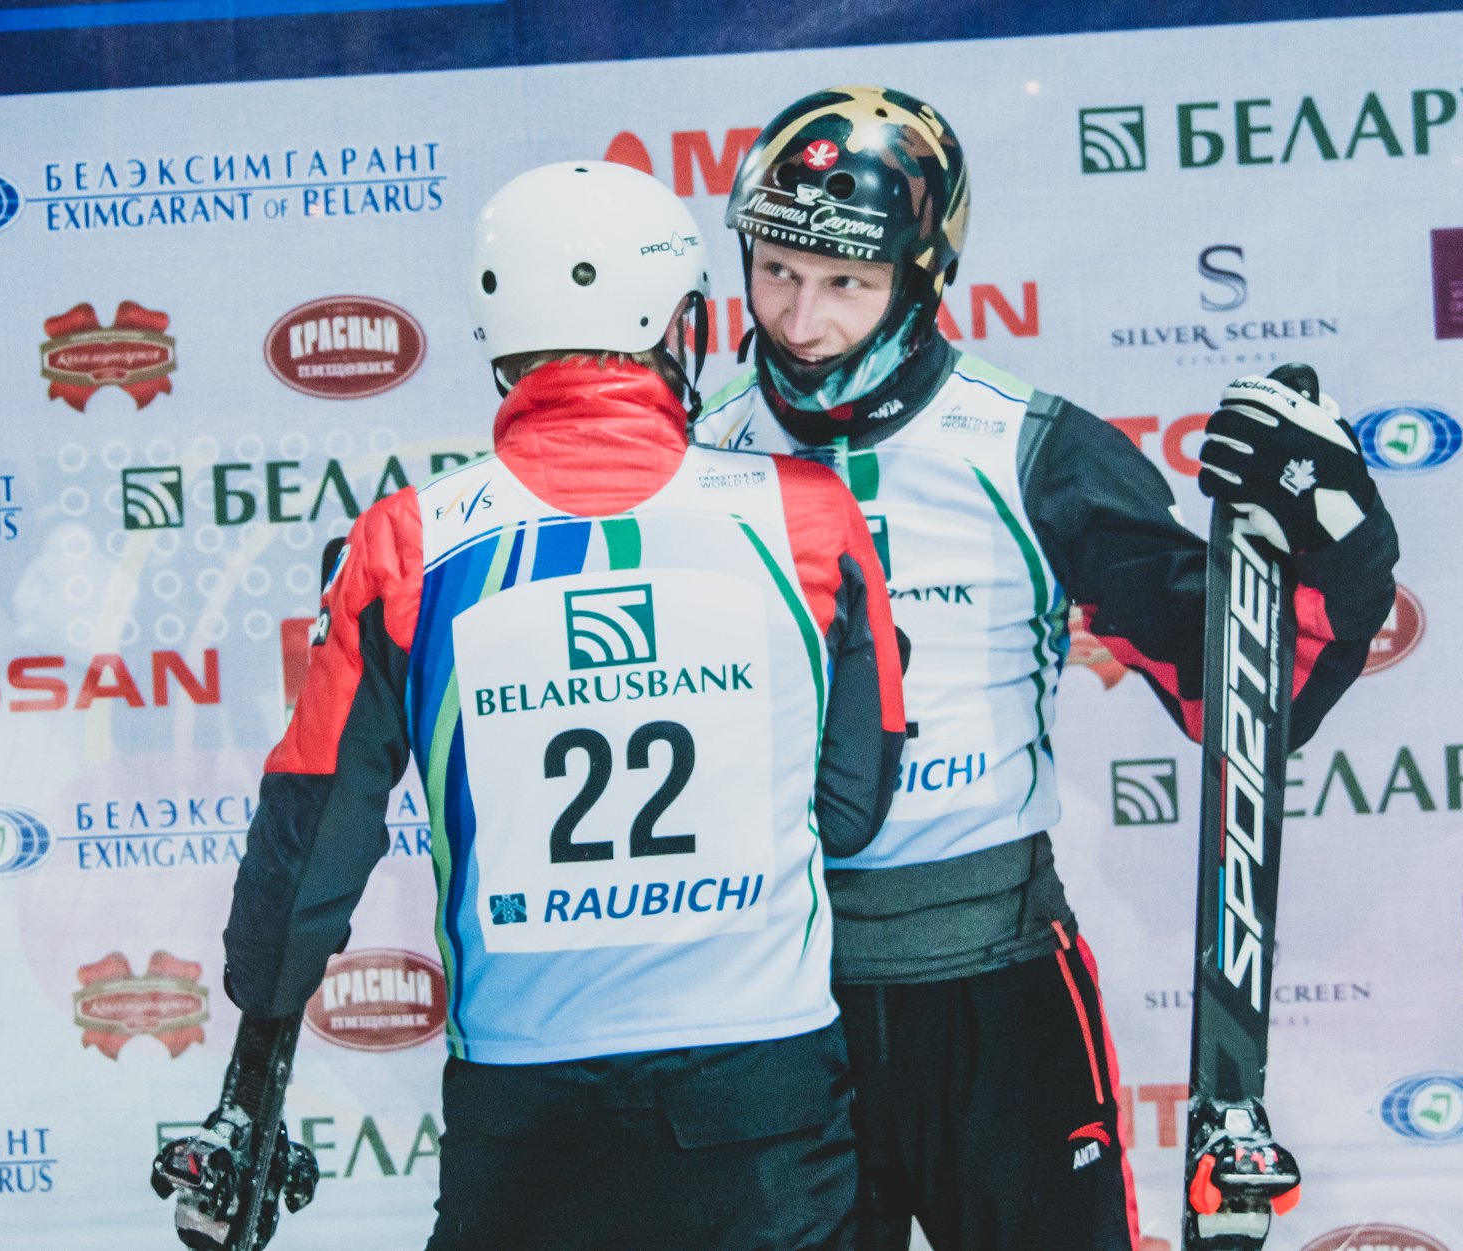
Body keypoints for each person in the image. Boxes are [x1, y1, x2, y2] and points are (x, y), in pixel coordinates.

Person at [692, 86, 1401, 1251]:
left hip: (999, 988)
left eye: (845, 284)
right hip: (770, 992)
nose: (801, 320)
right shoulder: (696, 447)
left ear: (920, 279)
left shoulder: (1032, 449)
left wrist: (1340, 534)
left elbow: (1246, 694)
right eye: (775, 271)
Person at [156, 159, 905, 1251]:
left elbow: (313, 832)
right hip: (763, 1091)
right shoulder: (809, 516)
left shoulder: (409, 542)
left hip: (526, 1100)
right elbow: (854, 804)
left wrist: (260, 1020)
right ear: (672, 321)